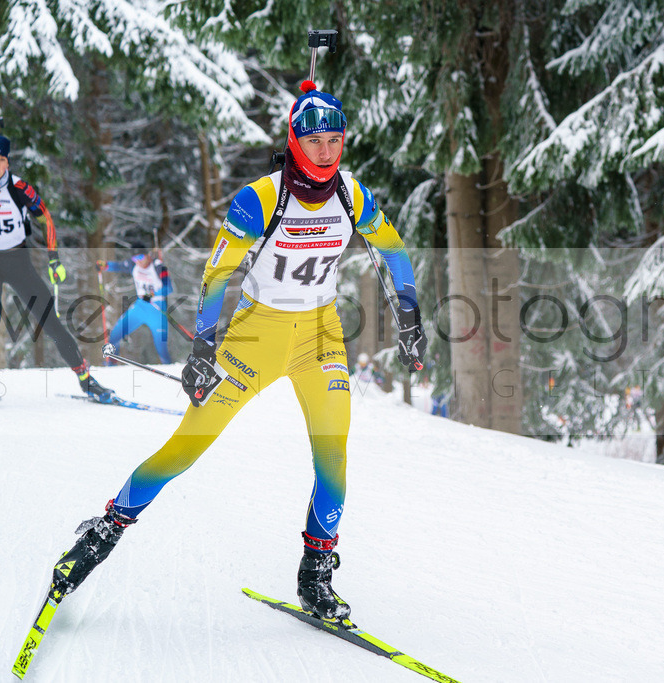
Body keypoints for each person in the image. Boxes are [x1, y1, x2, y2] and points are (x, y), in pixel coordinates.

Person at [49, 80, 428, 620]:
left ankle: (316, 575)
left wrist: (409, 316)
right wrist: (203, 347)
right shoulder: (261, 198)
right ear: (295, 140)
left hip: (320, 336)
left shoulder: (352, 195)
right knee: (186, 448)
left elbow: (393, 250)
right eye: (315, 141)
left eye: (335, 140)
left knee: (334, 458)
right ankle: (101, 533)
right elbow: (217, 272)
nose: (326, 152)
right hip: (256, 337)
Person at [0, 133, 113, 403]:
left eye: (1, 159)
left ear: (8, 162)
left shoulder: (20, 188)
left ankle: (86, 379)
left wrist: (54, 259)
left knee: (49, 318)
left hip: (17, 261)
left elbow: (46, 219)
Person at [97, 245, 173, 363]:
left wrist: (152, 294)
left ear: (147, 256)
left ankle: (170, 369)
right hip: (140, 307)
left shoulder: (158, 267)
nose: (138, 261)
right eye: (135, 258)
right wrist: (105, 265)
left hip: (157, 309)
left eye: (141, 257)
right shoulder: (133, 265)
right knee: (114, 336)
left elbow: (168, 288)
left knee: (162, 348)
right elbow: (119, 266)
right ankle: (110, 365)